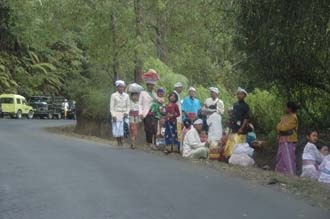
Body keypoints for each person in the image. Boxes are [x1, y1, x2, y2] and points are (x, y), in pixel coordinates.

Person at [224, 87, 250, 158]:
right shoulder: (235, 105)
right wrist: (229, 123)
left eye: (241, 94)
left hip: (241, 129)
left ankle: (238, 157)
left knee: (239, 145)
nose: (239, 95)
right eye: (238, 94)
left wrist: (242, 128)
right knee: (231, 142)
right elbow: (233, 116)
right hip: (234, 127)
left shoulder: (246, 106)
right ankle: (230, 157)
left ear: (244, 96)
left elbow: (246, 118)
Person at [275, 101, 298, 175]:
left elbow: (283, 128)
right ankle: (280, 173)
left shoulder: (294, 117)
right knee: (280, 156)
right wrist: (280, 127)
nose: (285, 108)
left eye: (286, 107)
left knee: (288, 157)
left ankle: (290, 174)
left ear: (290, 108)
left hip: (289, 140)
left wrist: (280, 126)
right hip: (282, 139)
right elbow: (278, 127)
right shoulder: (285, 117)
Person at [139, 69, 160, 146]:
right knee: (148, 128)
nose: (151, 86)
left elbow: (158, 101)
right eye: (150, 85)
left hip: (154, 113)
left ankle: (154, 143)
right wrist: (140, 113)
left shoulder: (154, 94)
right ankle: (148, 143)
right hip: (146, 113)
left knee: (154, 128)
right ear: (147, 85)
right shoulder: (143, 93)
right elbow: (140, 104)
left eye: (152, 85)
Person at [110, 80, 130, 146]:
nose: (121, 88)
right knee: (117, 128)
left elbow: (128, 106)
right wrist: (113, 115)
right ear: (117, 87)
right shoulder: (113, 95)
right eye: (119, 87)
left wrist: (127, 112)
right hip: (116, 114)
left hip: (124, 114)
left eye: (122, 87)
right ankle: (118, 141)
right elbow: (112, 107)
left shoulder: (126, 96)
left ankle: (122, 140)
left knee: (124, 128)